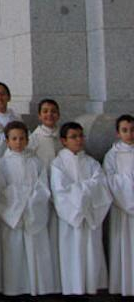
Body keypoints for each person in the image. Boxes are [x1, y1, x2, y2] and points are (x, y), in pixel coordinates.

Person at [0, 121, 58, 296]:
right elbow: (0, 190)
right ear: (7, 141)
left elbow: (43, 185)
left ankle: (36, 286)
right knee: (13, 250)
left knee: (34, 249)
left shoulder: (35, 161)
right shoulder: (2, 164)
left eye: (22, 138)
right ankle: (13, 288)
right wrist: (19, 202)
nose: (18, 142)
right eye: (14, 138)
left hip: (32, 211)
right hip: (13, 215)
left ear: (27, 140)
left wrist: (31, 201)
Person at [50, 122, 111, 295]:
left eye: (80, 136)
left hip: (90, 216)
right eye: (73, 137)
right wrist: (84, 192)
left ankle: (90, 286)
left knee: (91, 252)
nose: (78, 140)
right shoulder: (58, 163)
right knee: (71, 253)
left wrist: (80, 191)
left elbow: (101, 184)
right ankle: (72, 288)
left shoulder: (91, 162)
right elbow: (60, 191)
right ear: (63, 140)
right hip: (72, 217)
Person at [27, 98, 62, 286]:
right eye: (46, 111)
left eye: (53, 111)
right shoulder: (34, 138)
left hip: (62, 195)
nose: (50, 115)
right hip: (42, 192)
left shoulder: (64, 137)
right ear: (39, 115)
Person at [104, 115, 134, 296]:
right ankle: (124, 285)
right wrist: (128, 187)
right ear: (118, 133)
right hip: (122, 208)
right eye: (125, 130)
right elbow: (109, 180)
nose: (129, 134)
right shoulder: (112, 155)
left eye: (132, 130)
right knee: (123, 245)